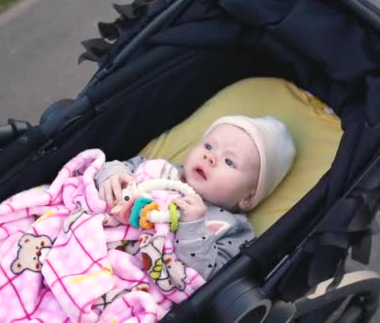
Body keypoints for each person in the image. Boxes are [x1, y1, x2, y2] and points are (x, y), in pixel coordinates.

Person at [95, 115, 296, 279]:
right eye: (209, 146)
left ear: (247, 198)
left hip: (134, 277)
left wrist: (193, 227)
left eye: (229, 161)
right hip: (96, 240)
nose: (210, 157)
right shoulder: (161, 169)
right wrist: (111, 176)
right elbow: (119, 168)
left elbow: (211, 276)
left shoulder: (233, 227)